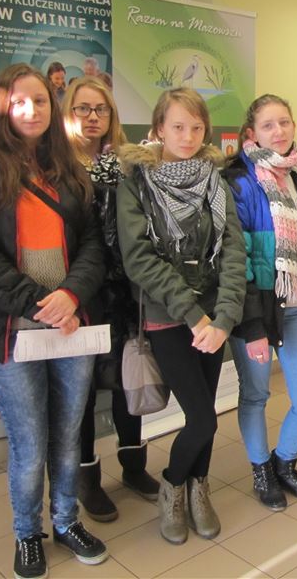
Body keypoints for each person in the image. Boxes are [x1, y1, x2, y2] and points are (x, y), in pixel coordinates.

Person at [0, 63, 108, 579]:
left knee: (67, 436)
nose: (32, 110)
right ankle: (27, 531)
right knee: (29, 443)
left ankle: (66, 521)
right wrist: (43, 303)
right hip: (10, 332)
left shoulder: (68, 167)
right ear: (0, 106)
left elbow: (93, 245)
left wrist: (71, 294)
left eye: (40, 100)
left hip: (71, 326)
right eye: (19, 101)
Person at [117, 87, 245, 544]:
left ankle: (198, 487)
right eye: (177, 126)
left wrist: (224, 317)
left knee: (205, 411)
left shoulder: (216, 181)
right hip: (169, 315)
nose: (188, 136)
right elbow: (140, 259)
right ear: (159, 129)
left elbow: (233, 251)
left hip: (213, 318)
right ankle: (173, 485)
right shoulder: (136, 183)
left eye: (196, 127)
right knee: (203, 418)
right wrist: (194, 315)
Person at [62, 76, 160, 522]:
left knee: (128, 376)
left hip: (124, 289)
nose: (93, 117)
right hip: (79, 292)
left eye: (100, 109)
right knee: (81, 390)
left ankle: (134, 467)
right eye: (82, 108)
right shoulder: (58, 166)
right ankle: (87, 481)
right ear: (68, 113)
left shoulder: (125, 164)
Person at [223, 94, 297, 511]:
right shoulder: (240, 182)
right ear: (252, 133)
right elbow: (238, 258)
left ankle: (284, 462)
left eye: (284, 122)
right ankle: (261, 470)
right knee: (256, 395)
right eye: (268, 125)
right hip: (257, 306)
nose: (278, 131)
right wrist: (252, 326)